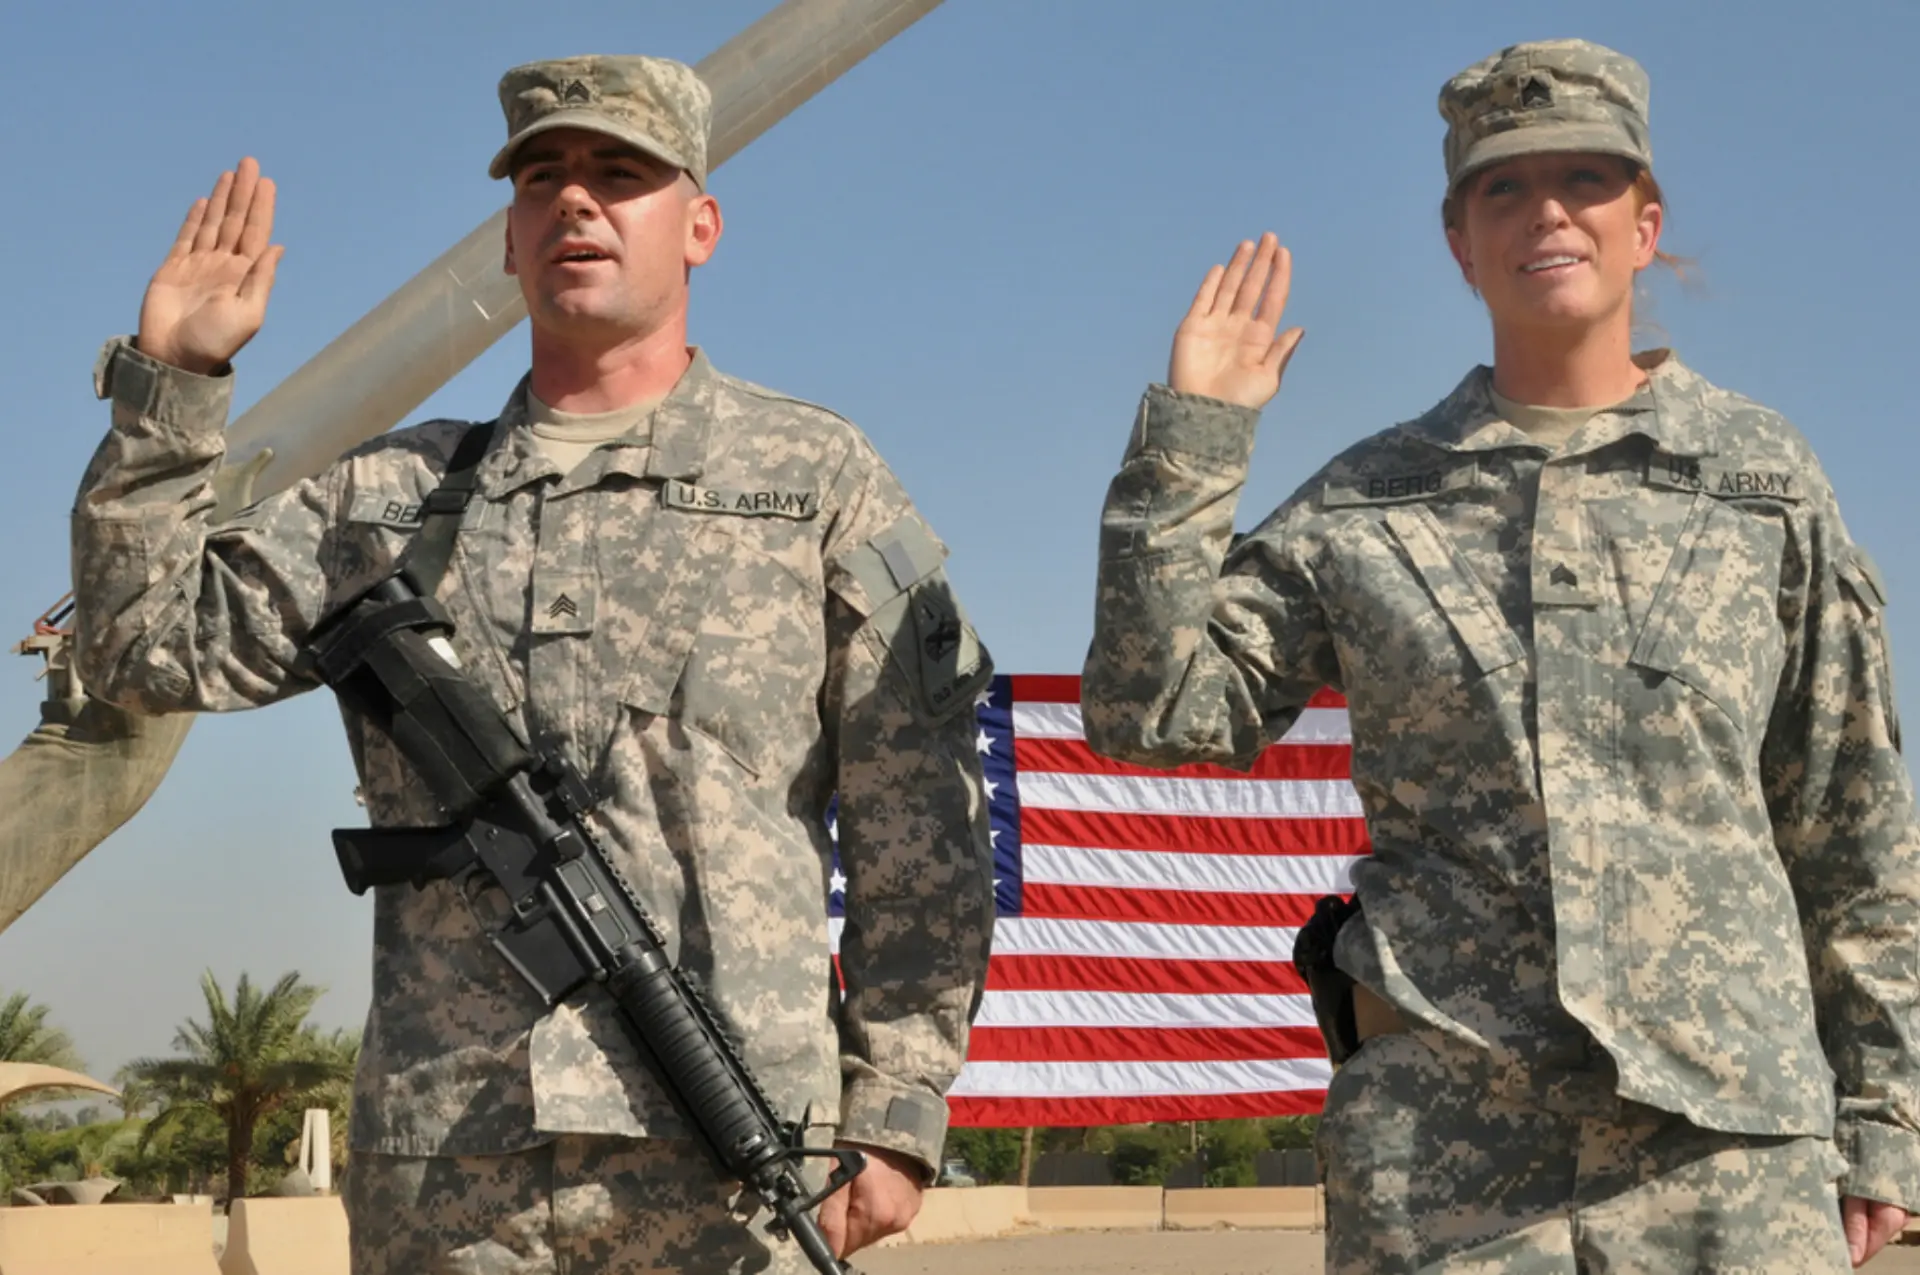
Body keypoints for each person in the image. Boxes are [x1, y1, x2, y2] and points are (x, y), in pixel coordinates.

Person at [72, 54, 995, 1272]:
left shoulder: (816, 482)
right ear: (510, 240)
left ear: (701, 227)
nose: (576, 200)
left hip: (730, 1166)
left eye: (622, 173)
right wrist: (175, 388)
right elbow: (140, 648)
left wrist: (897, 1110)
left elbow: (919, 827)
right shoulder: (387, 496)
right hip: (451, 1173)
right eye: (542, 177)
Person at [1081, 38, 1920, 1274]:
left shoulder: (1761, 484)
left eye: (1586, 179)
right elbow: (1153, 713)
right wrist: (1196, 441)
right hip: (1448, 1172)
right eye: (1504, 188)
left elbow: (1850, 819)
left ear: (1645, 224)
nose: (1548, 212)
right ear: (1459, 243)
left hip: (1727, 1161)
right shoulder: (1370, 501)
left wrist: (1886, 1116)